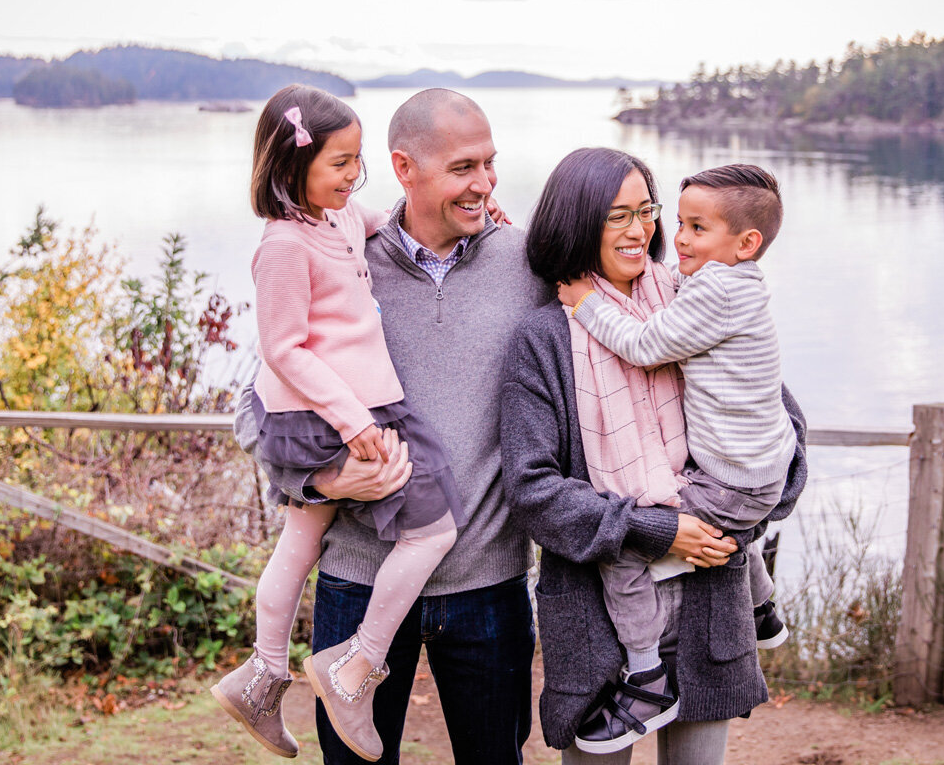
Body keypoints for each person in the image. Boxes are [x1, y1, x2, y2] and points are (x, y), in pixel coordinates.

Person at [246, 88, 551, 765]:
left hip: (489, 583)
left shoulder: (525, 264)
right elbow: (258, 400)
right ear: (405, 168)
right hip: (358, 580)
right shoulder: (341, 254)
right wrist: (323, 480)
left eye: (490, 165)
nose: (485, 183)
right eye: (464, 168)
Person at [501, 148, 807, 763]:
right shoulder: (544, 338)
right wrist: (659, 530)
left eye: (646, 211)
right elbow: (534, 492)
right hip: (600, 622)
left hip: (710, 606)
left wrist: (743, 515)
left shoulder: (691, 297)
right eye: (618, 216)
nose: (640, 230)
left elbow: (780, 423)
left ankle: (761, 605)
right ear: (579, 221)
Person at [211, 84, 465, 762]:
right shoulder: (284, 246)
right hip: (326, 416)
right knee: (433, 527)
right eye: (340, 164)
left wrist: (469, 204)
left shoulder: (339, 218)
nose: (355, 176)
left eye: (359, 161)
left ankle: (263, 677)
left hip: (352, 410)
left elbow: (384, 216)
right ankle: (354, 669)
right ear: (291, 168)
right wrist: (354, 424)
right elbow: (282, 348)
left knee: (301, 541)